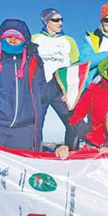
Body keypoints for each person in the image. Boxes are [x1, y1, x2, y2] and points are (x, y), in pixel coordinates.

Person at [0, 19, 61, 151]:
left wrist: (58, 83)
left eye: (17, 37)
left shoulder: (33, 61)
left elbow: (41, 94)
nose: (13, 40)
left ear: (25, 40)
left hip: (24, 131)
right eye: (9, 36)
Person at [32, 8, 87, 148]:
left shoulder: (69, 41)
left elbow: (75, 67)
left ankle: (71, 155)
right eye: (56, 20)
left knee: (73, 123)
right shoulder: (34, 39)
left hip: (60, 89)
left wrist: (72, 90)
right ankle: (35, 155)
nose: (60, 23)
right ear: (46, 22)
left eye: (61, 19)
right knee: (35, 126)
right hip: (39, 88)